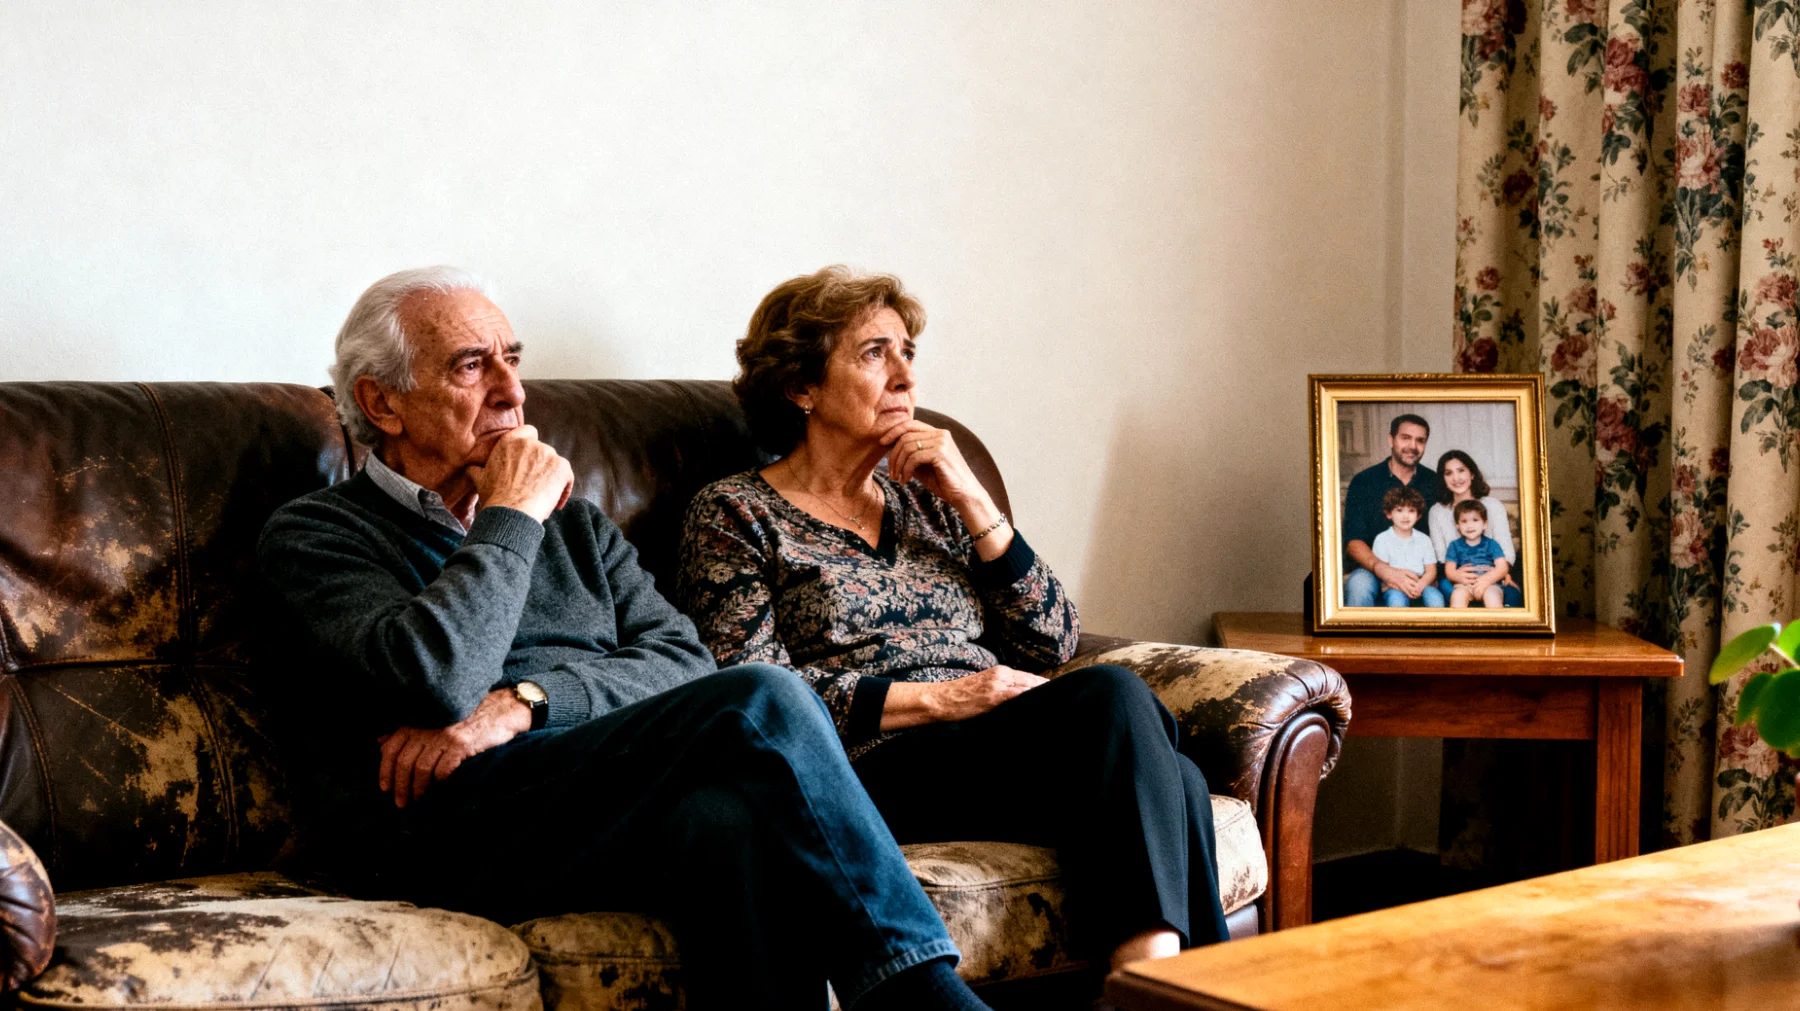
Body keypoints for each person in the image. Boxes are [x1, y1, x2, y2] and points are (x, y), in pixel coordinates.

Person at [257, 266, 998, 1011]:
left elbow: (684, 660)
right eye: (471, 366)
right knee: (764, 697)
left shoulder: (573, 521)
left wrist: (526, 700)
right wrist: (511, 515)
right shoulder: (318, 533)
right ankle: (927, 997)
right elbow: (436, 677)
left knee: (725, 820)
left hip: (591, 804)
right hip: (446, 828)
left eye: (511, 360)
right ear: (381, 402)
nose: (513, 394)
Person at [676, 266, 1231, 976]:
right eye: (875, 352)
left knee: (1175, 772)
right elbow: (751, 694)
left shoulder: (931, 499)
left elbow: (1052, 638)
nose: (905, 376)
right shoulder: (735, 514)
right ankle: (1158, 988)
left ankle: (1173, 990)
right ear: (801, 387)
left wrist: (972, 498)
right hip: (867, 768)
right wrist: (946, 697)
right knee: (1122, 702)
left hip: (987, 752)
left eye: (909, 353)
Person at [1342, 414, 1444, 608]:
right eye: (1405, 438)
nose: (1413, 446)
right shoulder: (1364, 481)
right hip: (1373, 567)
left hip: (1421, 570)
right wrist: (1385, 571)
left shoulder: (1435, 483)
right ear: (1391, 440)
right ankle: (1354, 639)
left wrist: (1432, 574)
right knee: (1359, 586)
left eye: (1420, 440)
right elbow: (1353, 540)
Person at [1428, 449, 1523, 608]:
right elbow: (1441, 556)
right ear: (1443, 479)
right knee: (1451, 593)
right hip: (1455, 575)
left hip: (1493, 571)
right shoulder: (1437, 512)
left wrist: (1488, 578)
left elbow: (1507, 552)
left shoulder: (1493, 506)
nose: (1456, 478)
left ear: (1472, 474)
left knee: (1511, 595)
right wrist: (1460, 576)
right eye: (1448, 473)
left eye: (1461, 471)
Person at [1369, 487, 1444, 608]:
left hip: (1421, 583)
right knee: (1396, 602)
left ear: (1418, 515)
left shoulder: (1424, 539)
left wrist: (1421, 585)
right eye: (1399, 510)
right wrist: (1400, 585)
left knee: (1436, 599)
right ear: (1389, 514)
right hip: (1394, 586)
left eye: (1411, 511)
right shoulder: (1382, 539)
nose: (1405, 516)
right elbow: (1383, 570)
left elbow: (1431, 570)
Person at [1441, 500, 1511, 608]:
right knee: (1457, 596)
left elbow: (1502, 568)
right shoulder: (1454, 545)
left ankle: (1498, 624)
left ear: (1484, 524)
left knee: (1492, 597)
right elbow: (1449, 571)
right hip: (1464, 585)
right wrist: (1463, 580)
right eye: (1464, 521)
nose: (1469, 525)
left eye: (1475, 520)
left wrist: (1486, 581)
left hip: (1490, 584)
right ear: (1457, 526)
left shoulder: (1492, 544)